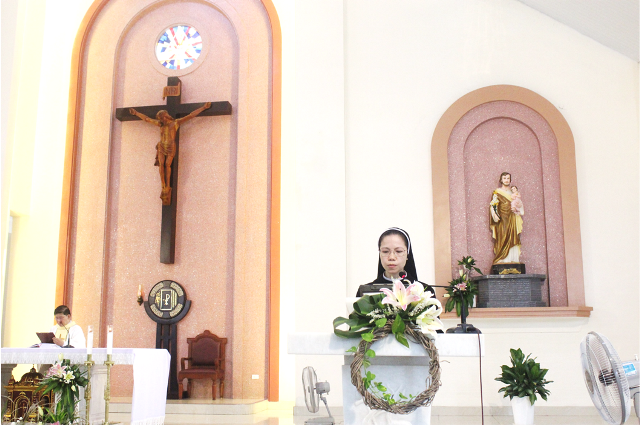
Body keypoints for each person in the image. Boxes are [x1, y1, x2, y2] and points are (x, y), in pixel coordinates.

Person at [129, 102, 211, 205]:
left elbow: (190, 116)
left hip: (171, 147)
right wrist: (136, 113)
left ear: (166, 116)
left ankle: (168, 185)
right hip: (162, 146)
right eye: (160, 118)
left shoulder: (175, 123)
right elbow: (147, 119)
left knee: (167, 164)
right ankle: (163, 185)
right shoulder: (161, 124)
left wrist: (203, 108)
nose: (161, 120)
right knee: (161, 164)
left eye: (162, 117)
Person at [356, 227, 435, 297]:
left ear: (407, 254)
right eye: (385, 251)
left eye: (399, 251)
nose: (391, 257)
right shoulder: (366, 292)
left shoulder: (424, 291)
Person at [489, 172, 523, 264]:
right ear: (501, 180)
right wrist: (495, 214)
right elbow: (493, 205)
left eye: (508, 178)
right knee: (502, 236)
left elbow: (519, 204)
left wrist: (516, 208)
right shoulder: (497, 192)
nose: (506, 180)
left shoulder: (514, 193)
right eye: (504, 178)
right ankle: (502, 258)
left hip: (512, 217)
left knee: (513, 236)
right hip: (502, 219)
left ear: (510, 180)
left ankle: (513, 259)